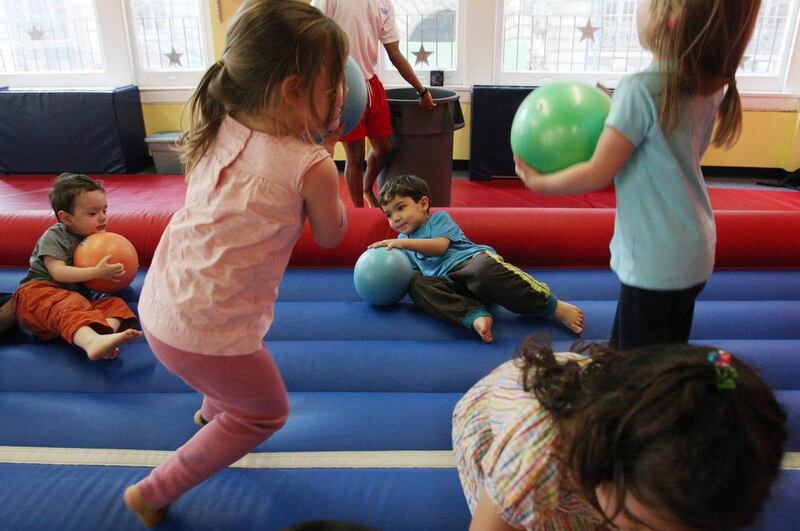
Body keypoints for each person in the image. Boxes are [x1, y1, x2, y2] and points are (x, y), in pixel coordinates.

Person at [123, 1, 349, 526]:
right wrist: (329, 156)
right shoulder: (309, 164)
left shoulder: (218, 120)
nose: (343, 92)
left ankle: (211, 411)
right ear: (294, 91)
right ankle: (153, 491)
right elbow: (333, 234)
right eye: (334, 82)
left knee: (219, 305)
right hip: (203, 331)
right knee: (266, 411)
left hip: (158, 301)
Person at [514, 0, 762, 350]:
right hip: (693, 245)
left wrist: (538, 183)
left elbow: (596, 172)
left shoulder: (642, 88)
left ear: (670, 16)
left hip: (657, 256)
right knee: (657, 347)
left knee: (640, 363)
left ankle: (640, 399)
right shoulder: (709, 83)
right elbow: (660, 127)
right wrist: (618, 103)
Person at [453, 335, 787, 530]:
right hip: (491, 416)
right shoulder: (532, 461)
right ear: (604, 468)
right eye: (643, 527)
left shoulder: (647, 422)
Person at [369, 175, 584, 343]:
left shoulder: (438, 220)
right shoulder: (401, 240)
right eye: (388, 214)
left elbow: (440, 247)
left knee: (484, 269)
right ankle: (474, 315)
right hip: (452, 286)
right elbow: (413, 272)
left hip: (472, 267)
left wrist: (403, 244)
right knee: (417, 284)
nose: (395, 218)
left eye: (401, 207)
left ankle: (552, 306)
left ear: (423, 203)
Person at [311, 0, 436, 208]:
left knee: (384, 147)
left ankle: (367, 188)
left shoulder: (383, 2)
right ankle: (359, 211)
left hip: (370, 83)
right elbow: (312, 35)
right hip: (343, 81)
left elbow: (394, 53)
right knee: (355, 154)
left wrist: (421, 90)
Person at [12, 173, 141, 360]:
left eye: (105, 210)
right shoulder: (56, 235)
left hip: (75, 303)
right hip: (38, 295)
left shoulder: (95, 239)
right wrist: (97, 272)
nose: (102, 218)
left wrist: (122, 271)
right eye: (92, 213)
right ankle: (91, 342)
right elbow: (58, 272)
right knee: (69, 304)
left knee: (115, 304)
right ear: (66, 218)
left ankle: (103, 335)